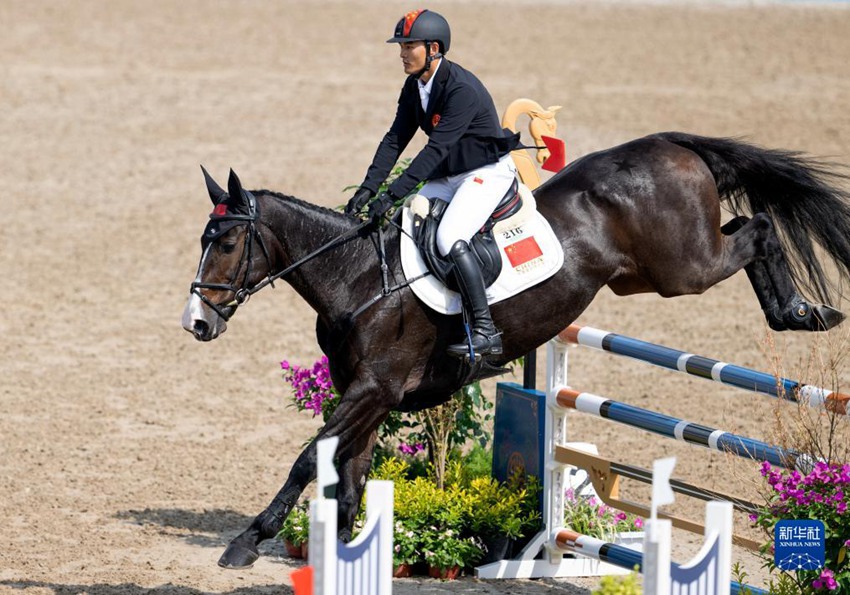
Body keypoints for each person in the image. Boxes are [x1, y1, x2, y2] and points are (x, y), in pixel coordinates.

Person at [345, 8, 521, 359]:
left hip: (484, 172)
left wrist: (392, 193)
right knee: (403, 227)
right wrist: (369, 188)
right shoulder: (415, 86)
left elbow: (436, 150)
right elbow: (396, 138)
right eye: (401, 45)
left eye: (410, 46)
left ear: (434, 49)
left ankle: (486, 330)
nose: (402, 53)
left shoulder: (461, 90)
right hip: (449, 175)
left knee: (449, 237)